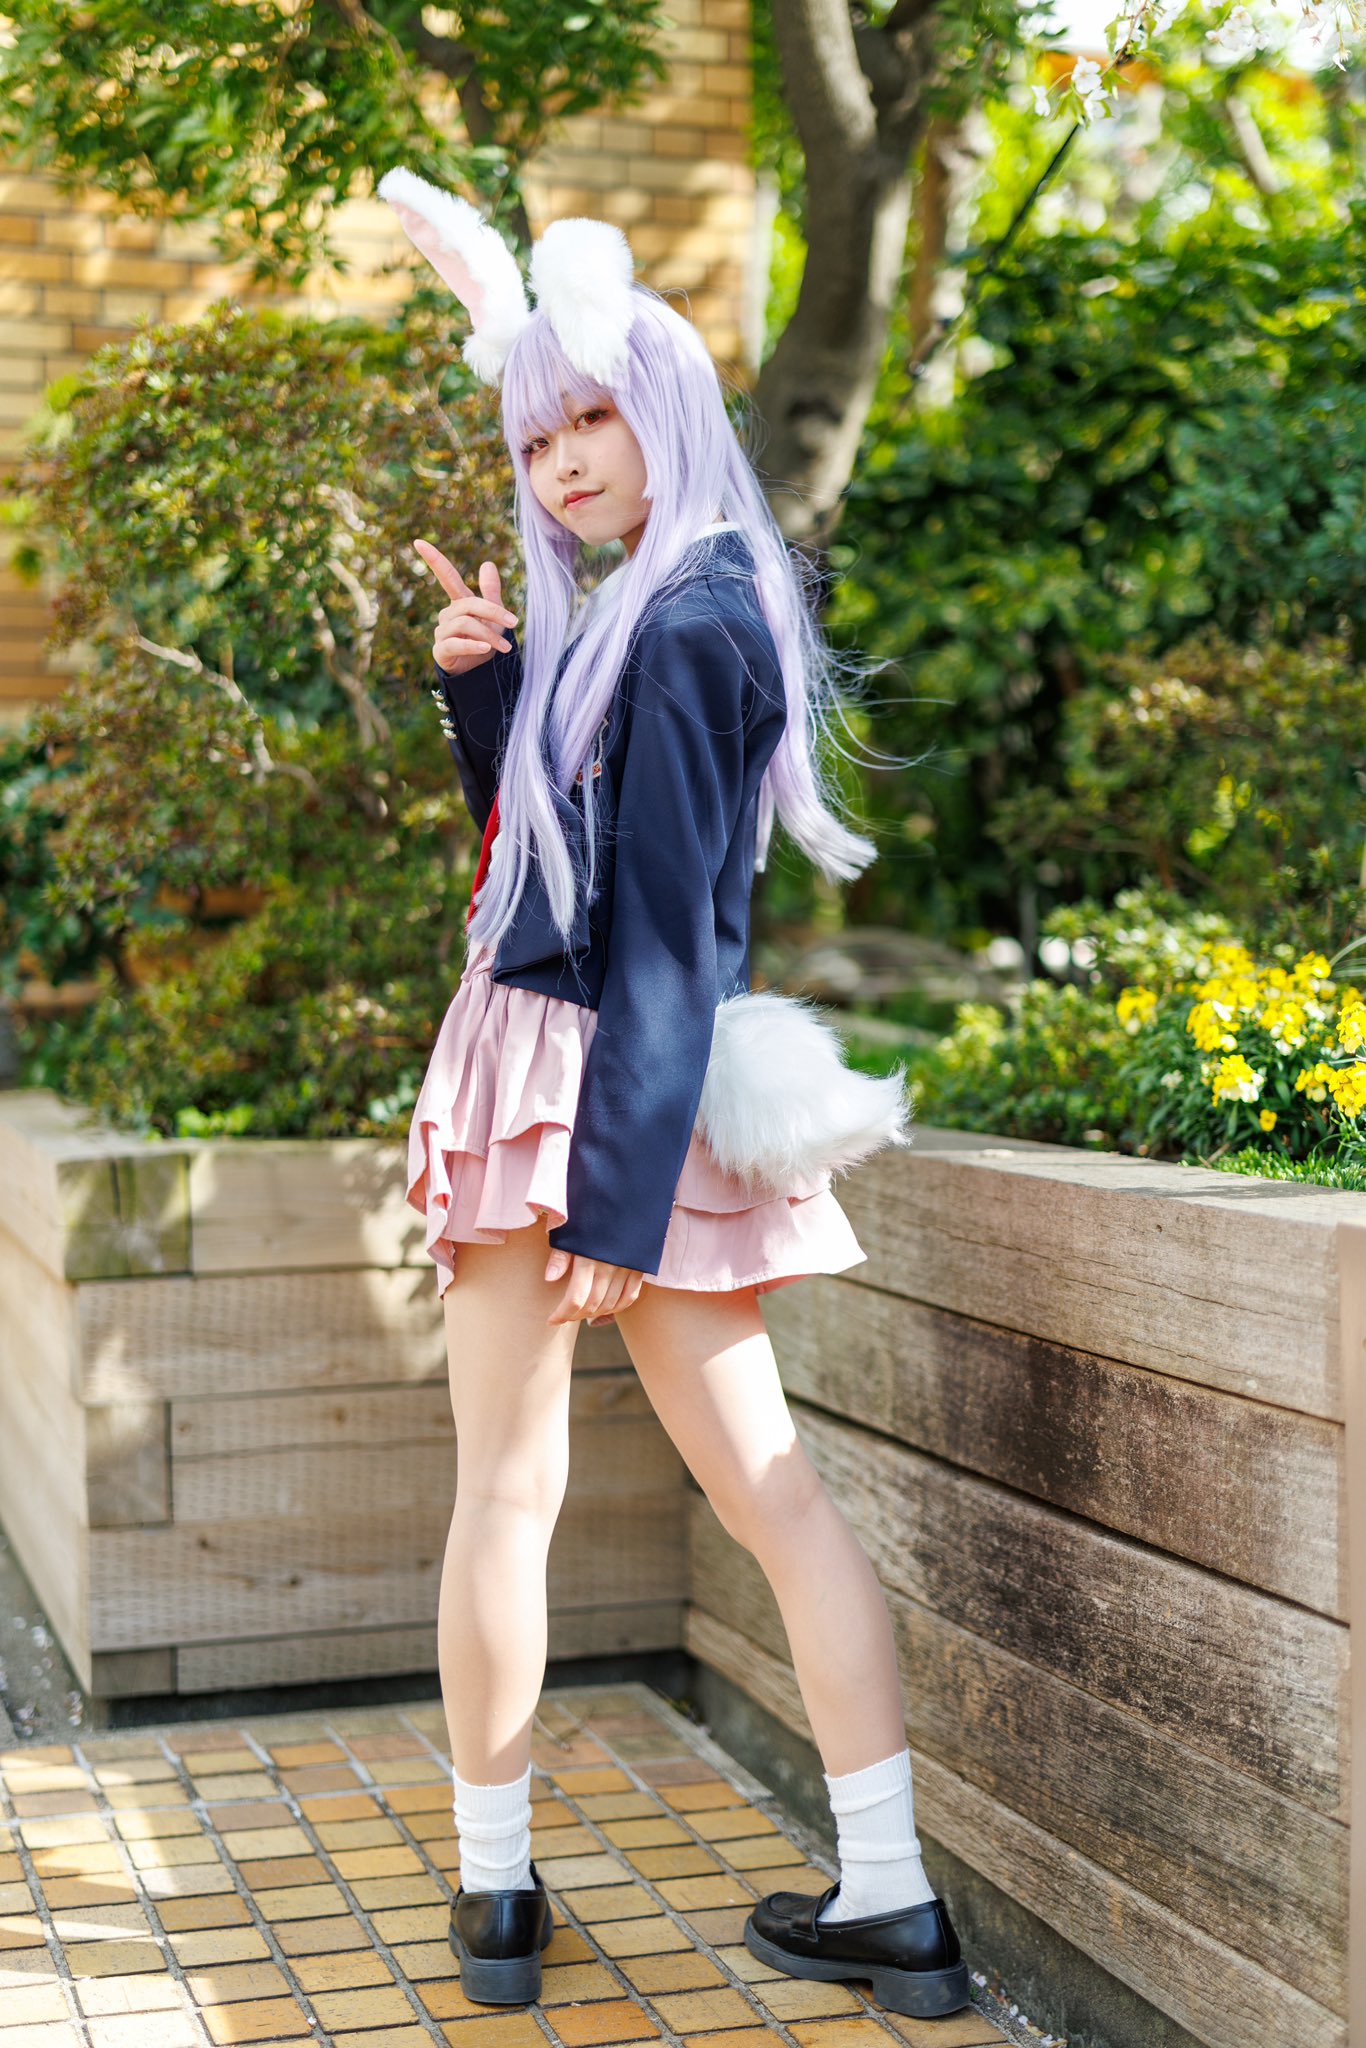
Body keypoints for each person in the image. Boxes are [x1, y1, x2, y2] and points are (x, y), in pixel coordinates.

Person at [379, 169, 972, 2024]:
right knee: (698, 1492)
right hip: (577, 1076)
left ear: (668, 406)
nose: (560, 461)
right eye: (532, 436)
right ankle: (855, 1899)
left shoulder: (699, 614)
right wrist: (491, 696)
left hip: (605, 1097)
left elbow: (657, 943)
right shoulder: (646, 606)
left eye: (589, 417)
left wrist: (616, 1210)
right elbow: (558, 880)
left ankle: (516, 1898)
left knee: (622, 1493)